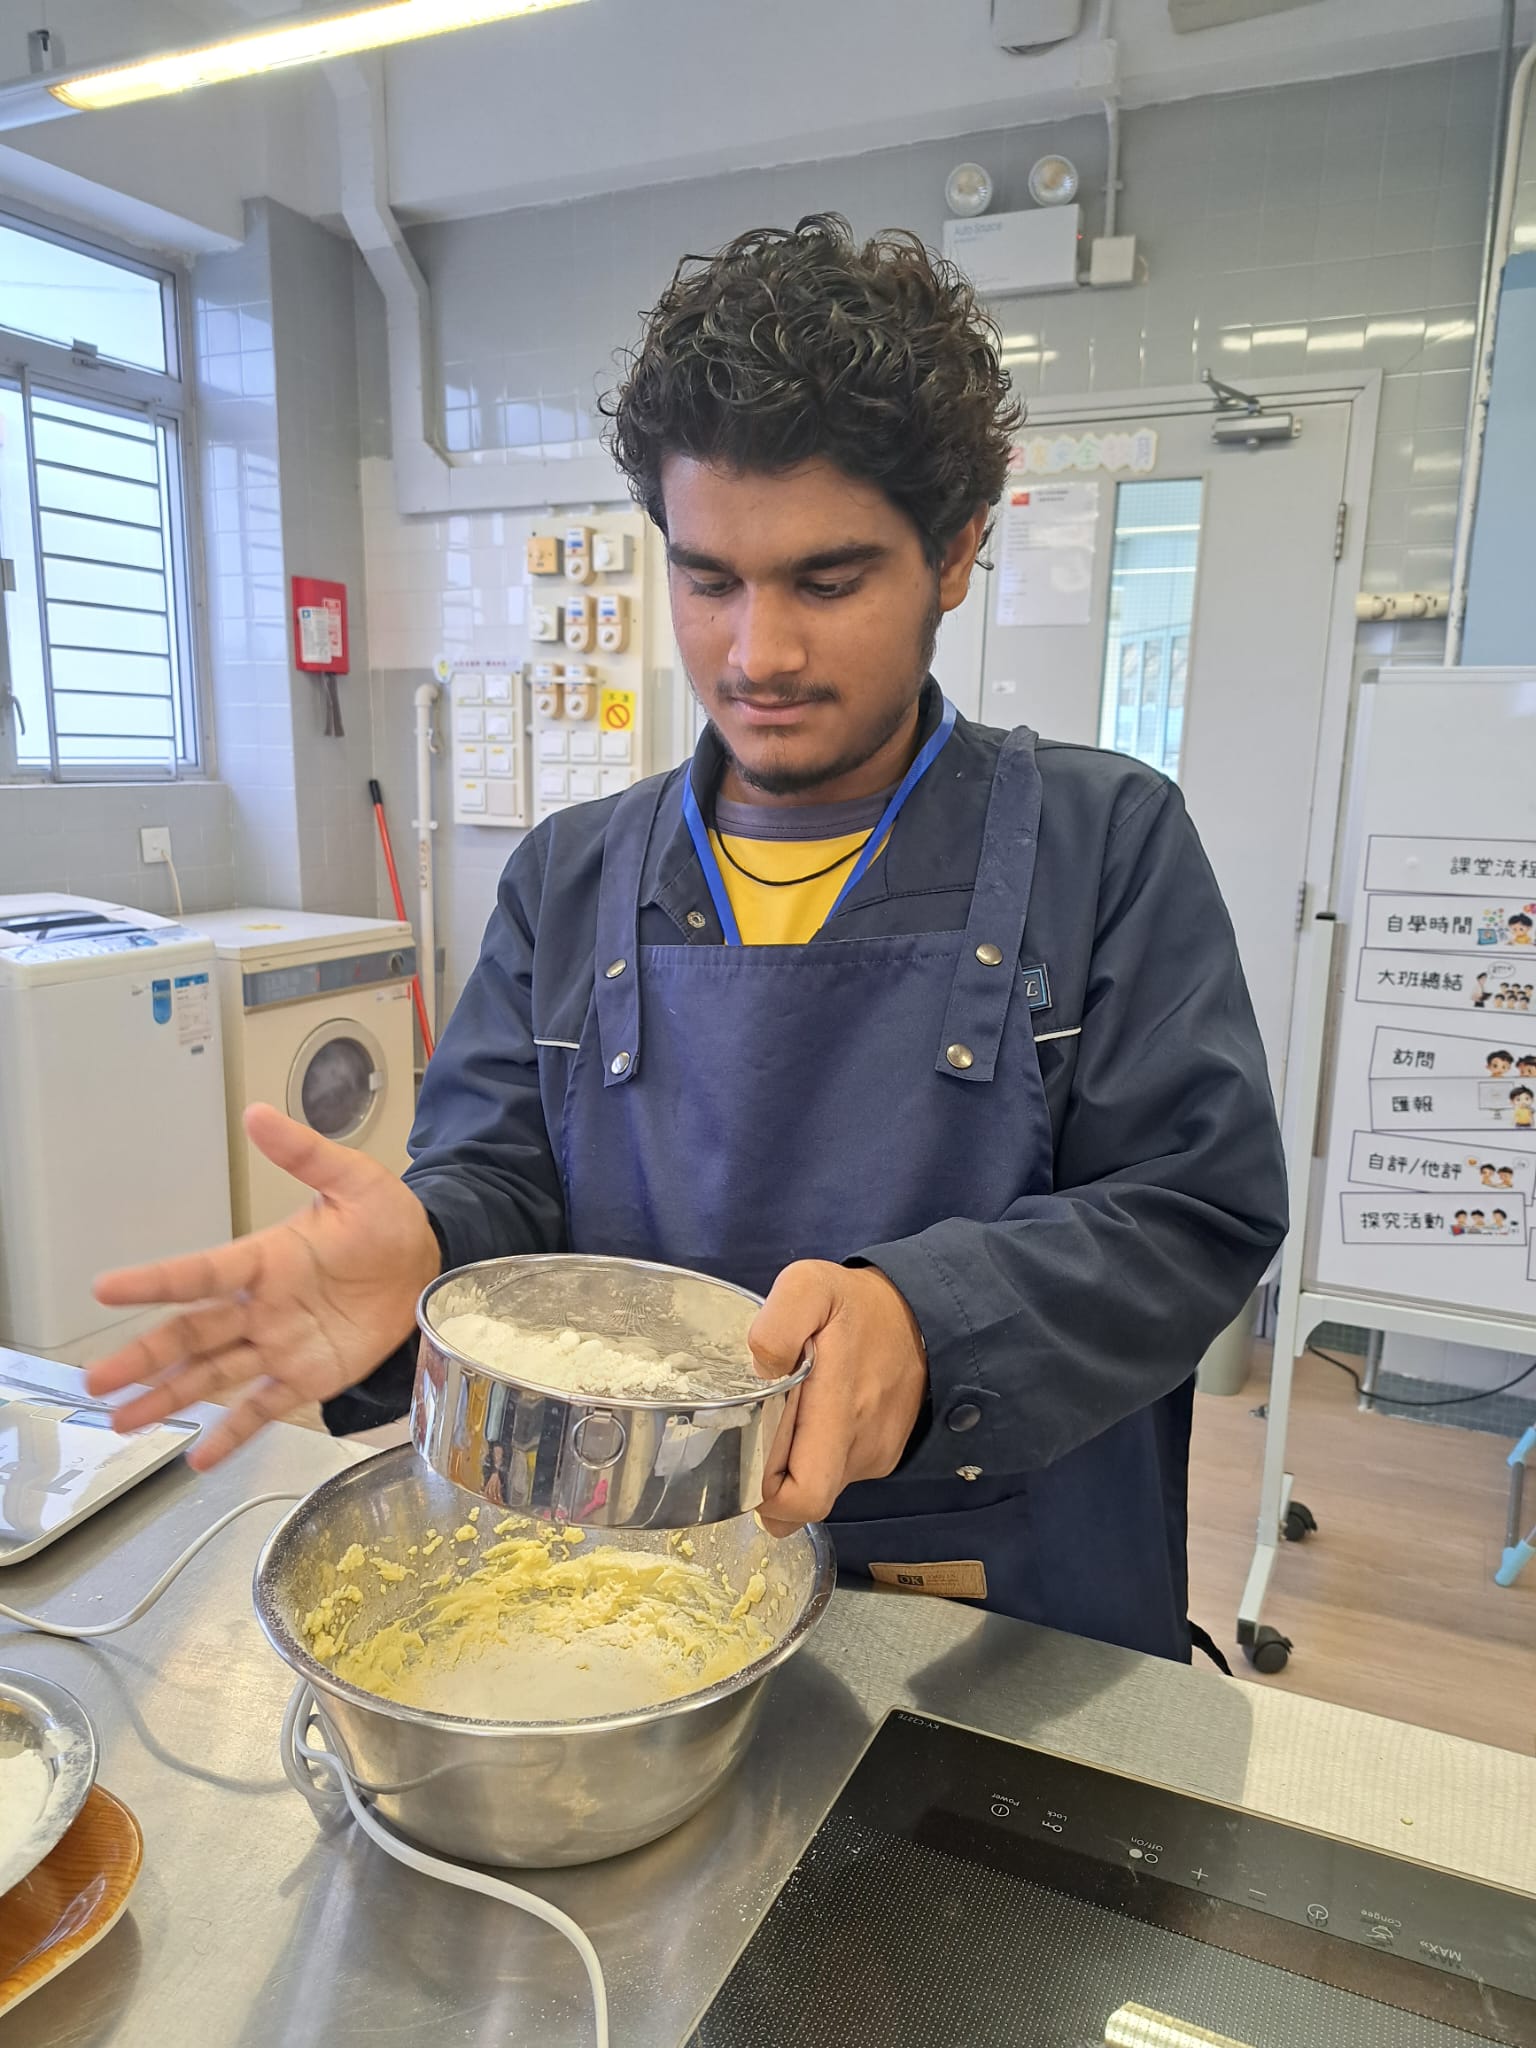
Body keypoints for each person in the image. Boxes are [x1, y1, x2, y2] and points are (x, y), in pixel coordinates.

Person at [85, 217, 1287, 1666]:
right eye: (710, 580)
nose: (756, 653)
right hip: (626, 1607)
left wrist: (929, 1322)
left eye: (827, 582)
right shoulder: (571, 877)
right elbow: (505, 1180)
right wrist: (428, 1248)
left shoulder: (1107, 846)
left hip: (996, 1629)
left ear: (960, 550)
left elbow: (1193, 1209)